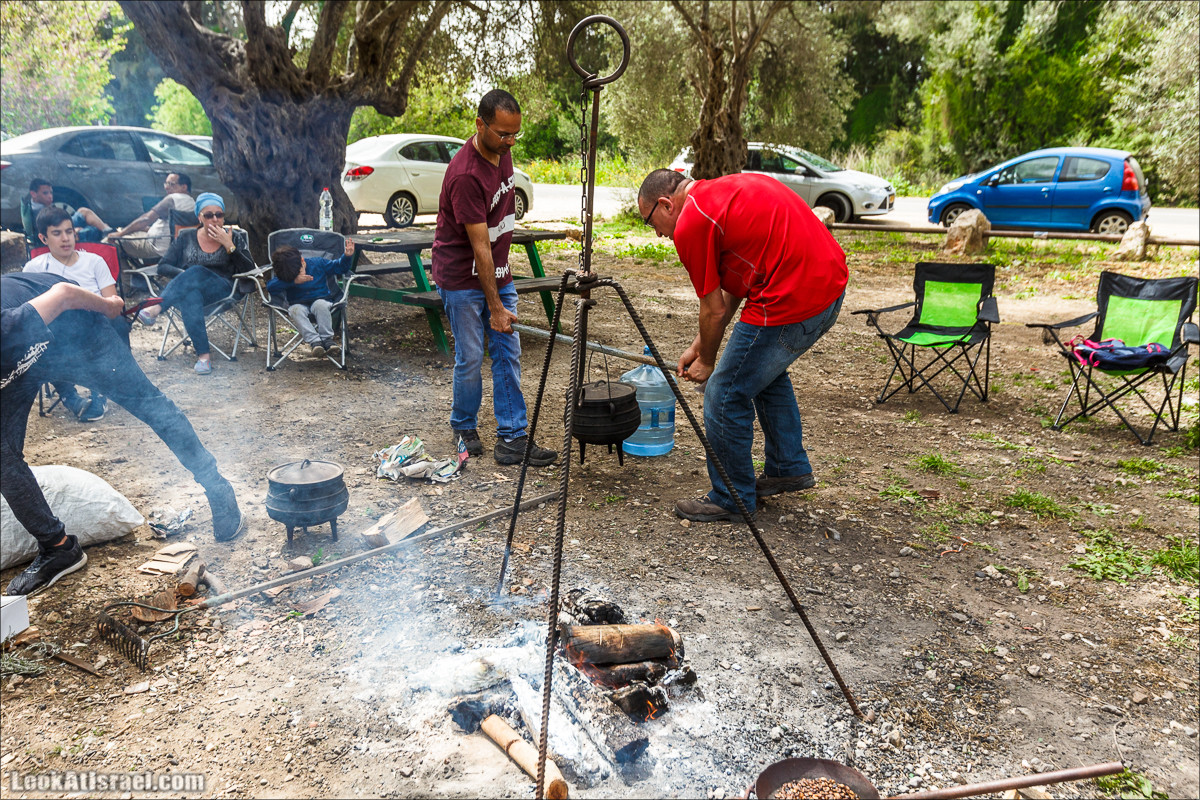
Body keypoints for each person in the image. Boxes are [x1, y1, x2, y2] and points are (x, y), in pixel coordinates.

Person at [2, 272, 244, 596]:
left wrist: (109, 306)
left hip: (82, 338)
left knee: (151, 405)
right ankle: (58, 547)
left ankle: (216, 485)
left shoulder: (7, 325)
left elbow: (62, 294)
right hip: (27, 363)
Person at [637, 169, 848, 523]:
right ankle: (787, 466)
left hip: (792, 296)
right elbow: (735, 286)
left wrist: (707, 361)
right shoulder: (721, 194)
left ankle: (731, 496)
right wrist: (700, 345)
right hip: (828, 287)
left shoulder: (691, 222)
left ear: (665, 204)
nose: (658, 233)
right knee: (759, 371)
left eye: (651, 222)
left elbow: (713, 309)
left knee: (723, 391)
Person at [431, 89, 557, 466]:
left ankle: (512, 437)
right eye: (503, 134)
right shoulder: (465, 175)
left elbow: (498, 232)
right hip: (461, 277)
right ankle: (463, 424)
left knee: (507, 352)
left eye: (515, 133)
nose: (510, 141)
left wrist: (501, 293)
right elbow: (480, 248)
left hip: (496, 272)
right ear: (480, 124)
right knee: (470, 357)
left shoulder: (503, 151)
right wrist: (495, 306)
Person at [134, 193, 254, 375]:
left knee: (196, 271)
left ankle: (157, 307)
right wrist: (186, 277)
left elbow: (249, 269)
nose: (215, 219)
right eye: (208, 215)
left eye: (219, 215)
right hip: (190, 291)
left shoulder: (234, 237)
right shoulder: (186, 237)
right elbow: (163, 266)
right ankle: (203, 358)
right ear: (199, 217)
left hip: (223, 290)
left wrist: (229, 245)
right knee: (191, 293)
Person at [22, 207, 122, 422]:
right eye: (57, 233)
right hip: (56, 333)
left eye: (69, 231)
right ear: (43, 238)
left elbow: (112, 303)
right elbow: (30, 311)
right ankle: (70, 397)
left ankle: (99, 391)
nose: (65, 238)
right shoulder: (34, 268)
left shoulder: (94, 262)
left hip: (95, 324)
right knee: (41, 335)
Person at [266, 238, 356, 357]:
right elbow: (271, 287)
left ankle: (327, 340)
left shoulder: (317, 263)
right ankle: (315, 342)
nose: (298, 275)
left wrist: (346, 257)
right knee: (294, 310)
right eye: (294, 275)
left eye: (299, 272)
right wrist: (293, 281)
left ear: (302, 261)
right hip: (298, 303)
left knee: (320, 305)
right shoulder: (286, 271)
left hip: (321, 299)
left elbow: (339, 267)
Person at [105, 172, 196, 260]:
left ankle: (123, 275)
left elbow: (146, 219)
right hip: (175, 247)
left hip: (157, 248)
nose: (166, 187)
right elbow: (173, 229)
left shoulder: (172, 199)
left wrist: (120, 234)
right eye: (166, 184)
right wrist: (141, 229)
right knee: (131, 231)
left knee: (111, 242)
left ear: (184, 187)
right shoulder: (192, 203)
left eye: (171, 184)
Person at [20, 178, 113, 245]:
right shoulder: (39, 212)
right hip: (57, 234)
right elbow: (52, 229)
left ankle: (106, 230)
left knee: (84, 212)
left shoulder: (30, 205)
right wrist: (73, 230)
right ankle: (109, 233)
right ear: (33, 194)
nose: (50, 196)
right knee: (93, 227)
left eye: (51, 192)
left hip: (59, 225)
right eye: (45, 193)